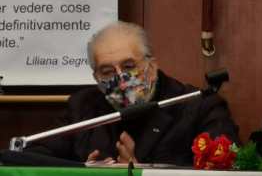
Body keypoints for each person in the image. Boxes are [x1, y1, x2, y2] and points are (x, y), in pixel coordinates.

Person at [28, 22, 238, 165]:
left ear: (152, 67)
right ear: (96, 78)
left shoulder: (199, 107)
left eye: (129, 66)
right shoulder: (82, 106)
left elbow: (226, 175)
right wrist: (84, 173)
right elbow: (35, 157)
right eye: (107, 72)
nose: (120, 79)